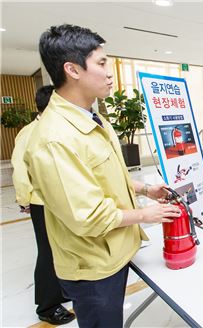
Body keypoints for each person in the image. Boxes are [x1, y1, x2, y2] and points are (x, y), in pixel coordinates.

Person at [25, 24, 181, 327]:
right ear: (72, 69)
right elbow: (88, 216)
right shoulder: (55, 138)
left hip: (113, 252)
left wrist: (146, 189)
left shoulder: (93, 118)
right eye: (101, 63)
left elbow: (107, 177)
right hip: (92, 266)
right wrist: (146, 215)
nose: (110, 72)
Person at [11, 85, 76, 325]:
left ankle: (63, 289)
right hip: (43, 202)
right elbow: (19, 169)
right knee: (48, 251)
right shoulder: (31, 132)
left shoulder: (57, 127)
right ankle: (47, 306)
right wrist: (24, 199)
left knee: (65, 246)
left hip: (62, 200)